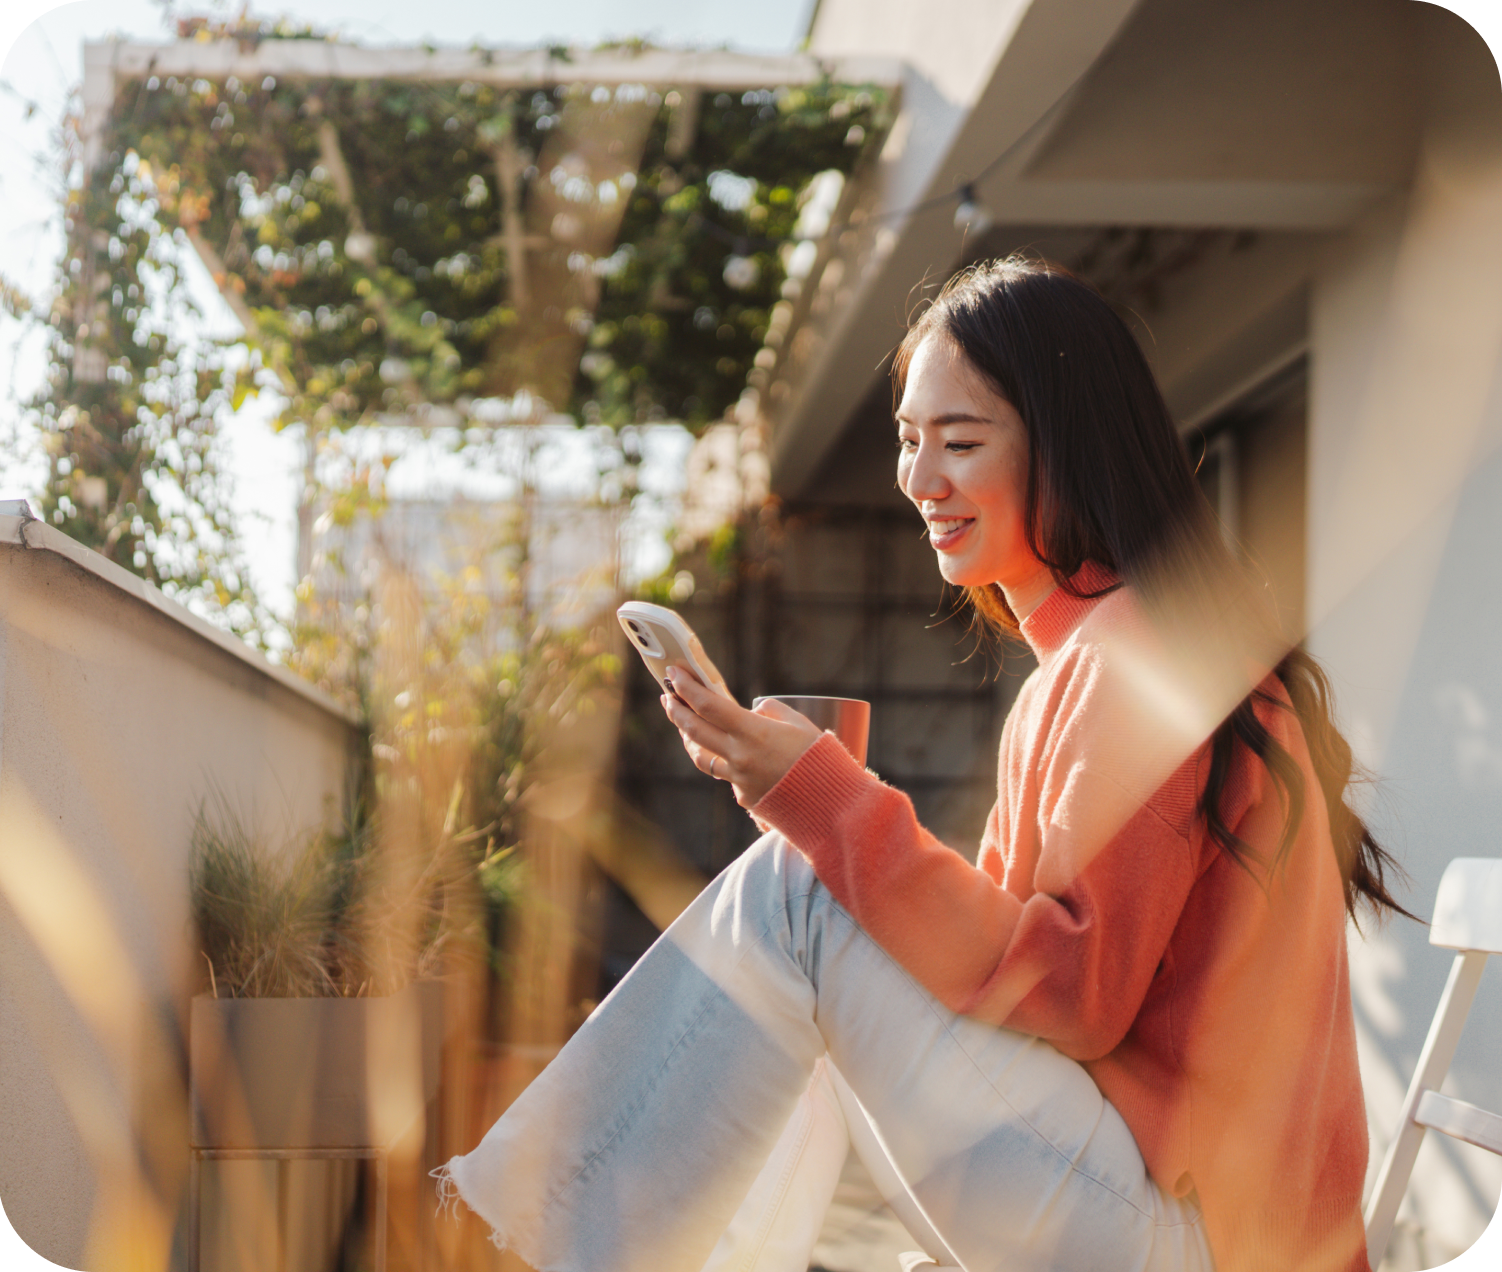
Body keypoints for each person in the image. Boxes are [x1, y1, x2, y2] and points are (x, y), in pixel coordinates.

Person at [437, 257, 1412, 1272]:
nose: (918, 478)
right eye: (909, 441)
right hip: (1171, 1204)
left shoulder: (1140, 662)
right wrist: (813, 804)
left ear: (1066, 448)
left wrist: (824, 803)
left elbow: (1075, 995)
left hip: (1198, 1237)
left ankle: (520, 1244)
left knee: (798, 895)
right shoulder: (1106, 656)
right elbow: (1014, 966)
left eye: (958, 440)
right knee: (821, 902)